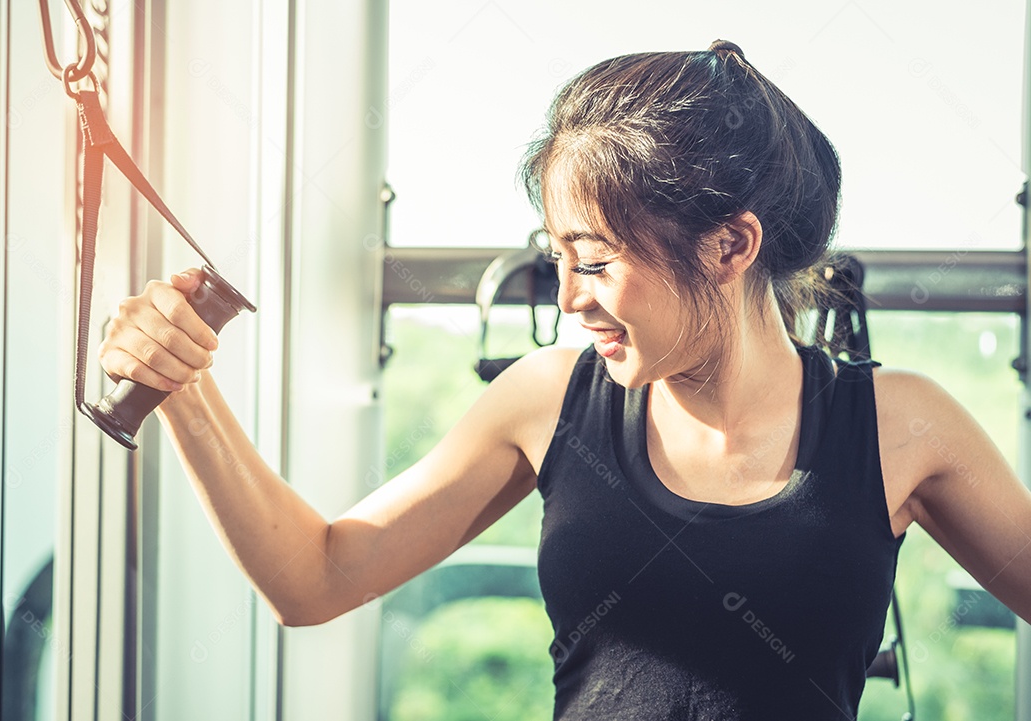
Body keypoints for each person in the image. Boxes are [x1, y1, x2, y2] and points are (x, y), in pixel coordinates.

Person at [99, 39, 1031, 719]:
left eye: (594, 261)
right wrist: (186, 385)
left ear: (730, 245)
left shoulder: (901, 424)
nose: (571, 302)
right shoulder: (550, 400)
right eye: (559, 261)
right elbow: (316, 577)